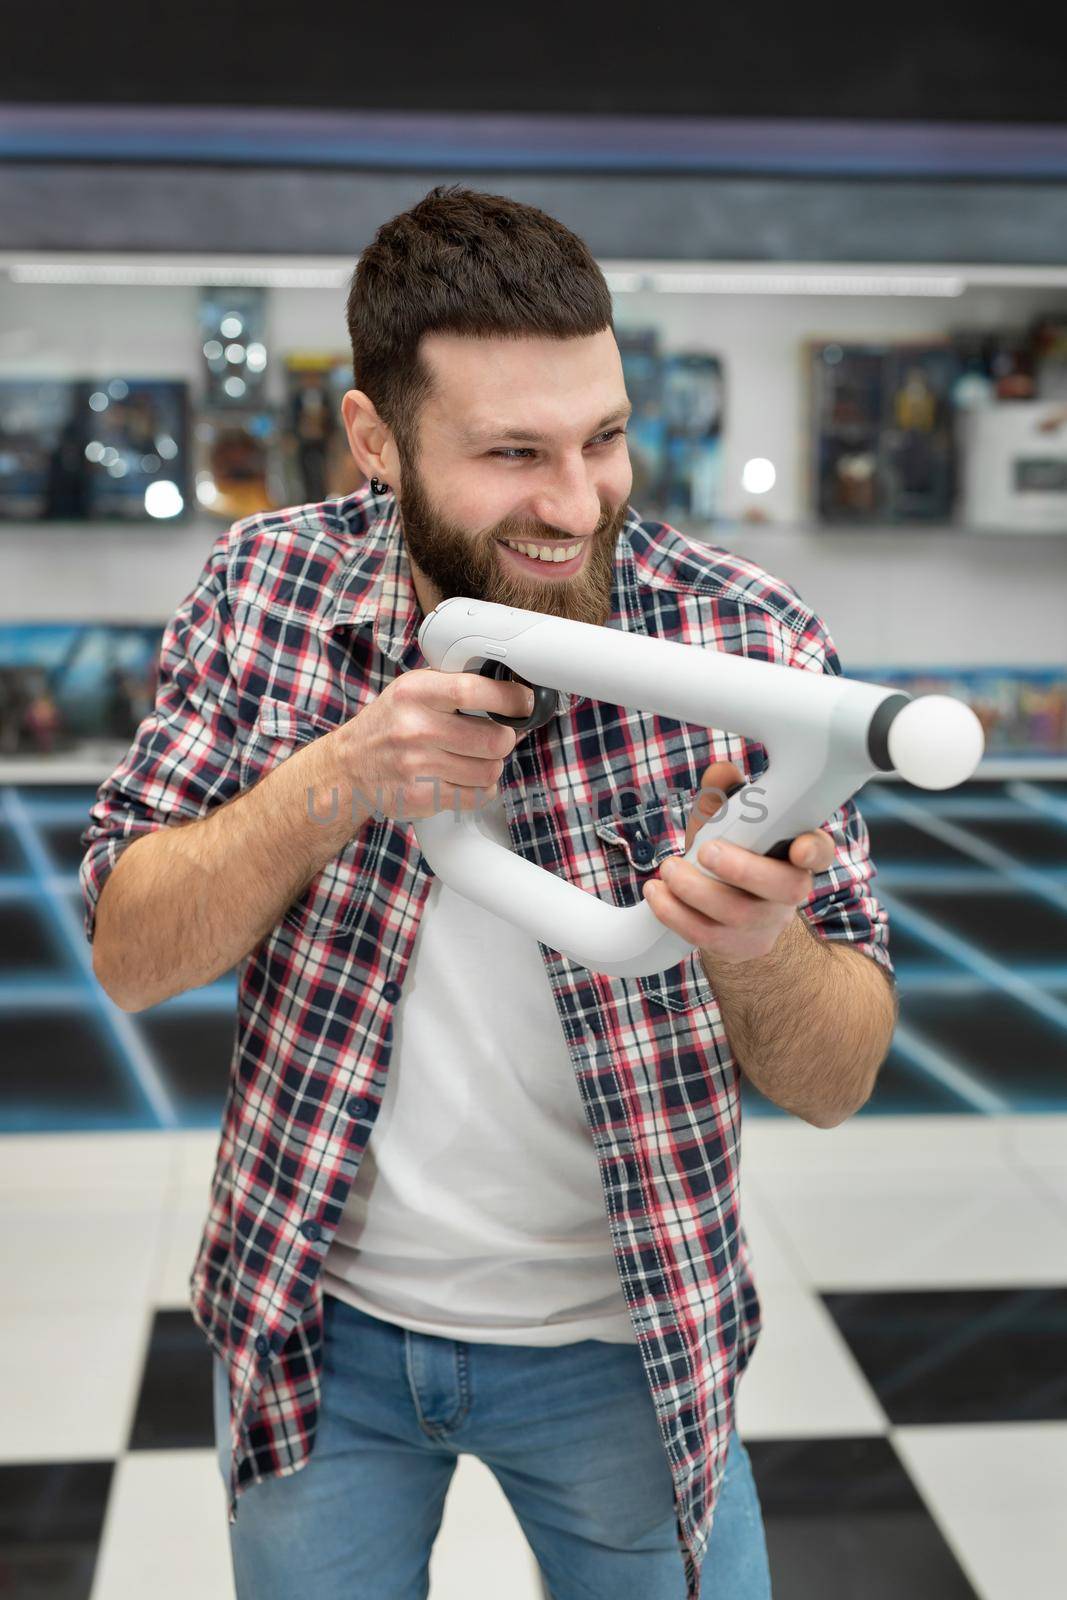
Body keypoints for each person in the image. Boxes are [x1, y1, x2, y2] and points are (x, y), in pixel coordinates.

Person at [79, 185, 898, 1600]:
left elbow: (839, 1077)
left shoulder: (746, 639)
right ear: (375, 441)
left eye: (605, 440)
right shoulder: (262, 586)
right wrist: (339, 775)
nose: (575, 505)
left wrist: (757, 945)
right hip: (313, 1320)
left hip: (627, 1341)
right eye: (513, 452)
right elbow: (132, 954)